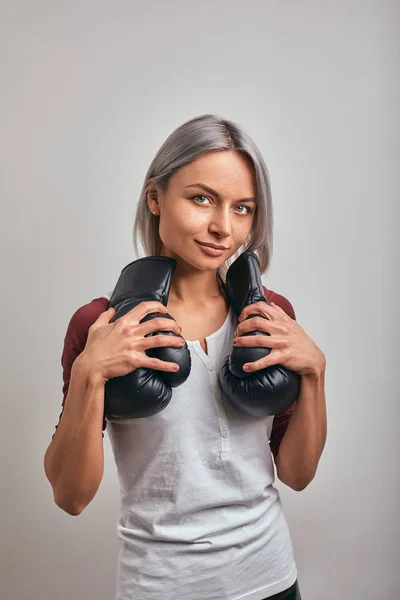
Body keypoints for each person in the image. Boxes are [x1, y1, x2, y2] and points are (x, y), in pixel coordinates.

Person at [44, 114, 327, 600]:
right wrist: (90, 373)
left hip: (273, 579)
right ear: (155, 197)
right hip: (161, 588)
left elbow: (297, 475)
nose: (223, 227)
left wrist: (315, 374)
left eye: (243, 208)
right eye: (202, 198)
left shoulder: (270, 316)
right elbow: (70, 496)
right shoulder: (101, 324)